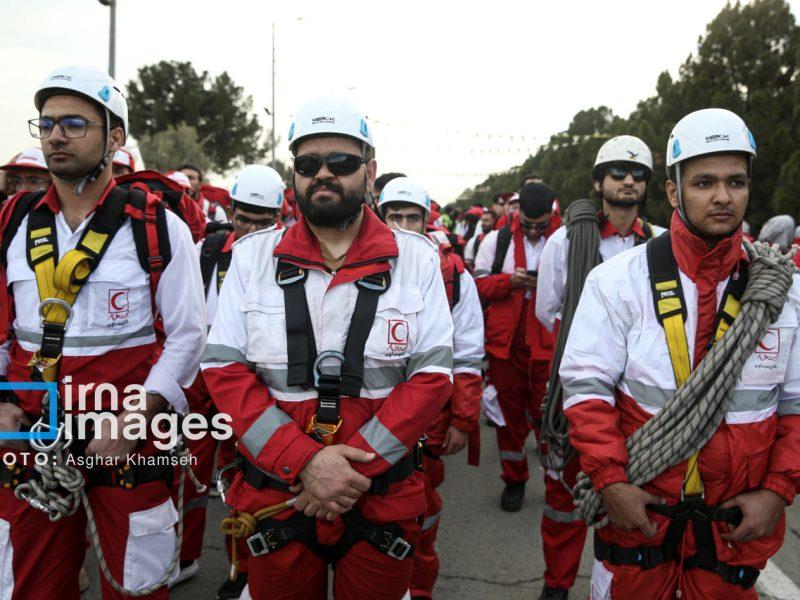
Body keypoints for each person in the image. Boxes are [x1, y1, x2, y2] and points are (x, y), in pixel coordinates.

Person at [201, 95, 454, 599]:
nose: (323, 174)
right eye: (308, 163)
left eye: (341, 162)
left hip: (379, 494)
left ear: (369, 170)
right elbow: (224, 370)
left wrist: (346, 467)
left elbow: (432, 378)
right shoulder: (251, 259)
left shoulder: (418, 260)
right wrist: (306, 462)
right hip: (279, 492)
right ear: (293, 173)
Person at [561, 108, 800, 599]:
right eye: (704, 182)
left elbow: (796, 407)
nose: (722, 196)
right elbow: (587, 391)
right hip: (640, 521)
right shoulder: (616, 281)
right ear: (674, 192)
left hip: (734, 532)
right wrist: (610, 482)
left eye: (736, 181)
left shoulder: (782, 293)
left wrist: (778, 492)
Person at [0, 64, 206, 599]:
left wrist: (136, 418)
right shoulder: (12, 222)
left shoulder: (159, 225)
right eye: (45, 124)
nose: (55, 136)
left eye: (74, 123)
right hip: (30, 443)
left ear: (115, 137)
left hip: (128, 442)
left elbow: (188, 335)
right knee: (29, 588)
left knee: (136, 588)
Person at [533, 134, 664, 599]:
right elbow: (547, 311)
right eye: (617, 173)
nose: (628, 181)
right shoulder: (565, 241)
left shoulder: (665, 246)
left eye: (638, 175)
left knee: (629, 501)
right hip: (583, 394)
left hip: (642, 401)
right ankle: (557, 583)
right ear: (598, 181)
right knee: (565, 500)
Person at [175, 163, 285, 598]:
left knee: (244, 480)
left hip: (252, 384)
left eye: (264, 221)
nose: (253, 229)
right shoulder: (209, 249)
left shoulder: (287, 259)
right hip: (203, 380)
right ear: (231, 211)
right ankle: (183, 557)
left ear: (279, 217)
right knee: (189, 471)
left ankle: (240, 569)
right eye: (244, 218)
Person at [377, 177, 484, 599]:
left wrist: (463, 419)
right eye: (394, 216)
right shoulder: (345, 266)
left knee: (421, 518)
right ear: (379, 217)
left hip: (427, 427)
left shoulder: (455, 278)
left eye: (412, 217)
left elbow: (468, 353)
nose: (402, 225)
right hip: (360, 422)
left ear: (427, 221)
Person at [474, 182, 560, 513]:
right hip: (505, 349)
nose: (536, 231)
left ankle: (556, 479)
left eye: (542, 224)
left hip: (547, 348)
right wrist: (510, 282)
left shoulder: (563, 241)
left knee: (549, 418)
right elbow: (479, 285)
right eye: (529, 224)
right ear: (517, 213)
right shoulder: (497, 241)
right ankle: (514, 480)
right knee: (508, 421)